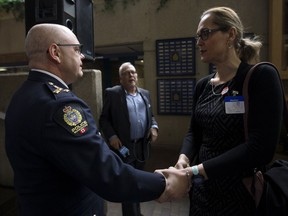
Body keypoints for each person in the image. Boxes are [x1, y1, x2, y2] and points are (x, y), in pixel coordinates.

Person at [4, 23, 189, 216]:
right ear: (55, 52)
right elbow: (106, 173)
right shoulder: (59, 105)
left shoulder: (22, 95)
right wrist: (164, 183)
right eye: (76, 49)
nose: (83, 56)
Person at [172, 6, 283, 215]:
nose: (199, 42)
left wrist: (196, 171)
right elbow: (194, 133)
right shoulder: (203, 86)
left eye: (205, 33)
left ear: (230, 34)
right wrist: (183, 160)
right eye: (197, 36)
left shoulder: (260, 77)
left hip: (241, 195)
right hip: (202, 193)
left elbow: (260, 148)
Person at [99, 62, 158, 216]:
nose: (131, 75)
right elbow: (104, 119)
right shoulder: (113, 94)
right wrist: (111, 136)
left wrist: (154, 127)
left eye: (133, 72)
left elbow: (151, 117)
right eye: (126, 73)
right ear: (121, 79)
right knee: (128, 184)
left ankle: (136, 213)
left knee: (137, 183)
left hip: (142, 147)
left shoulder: (145, 94)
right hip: (123, 147)